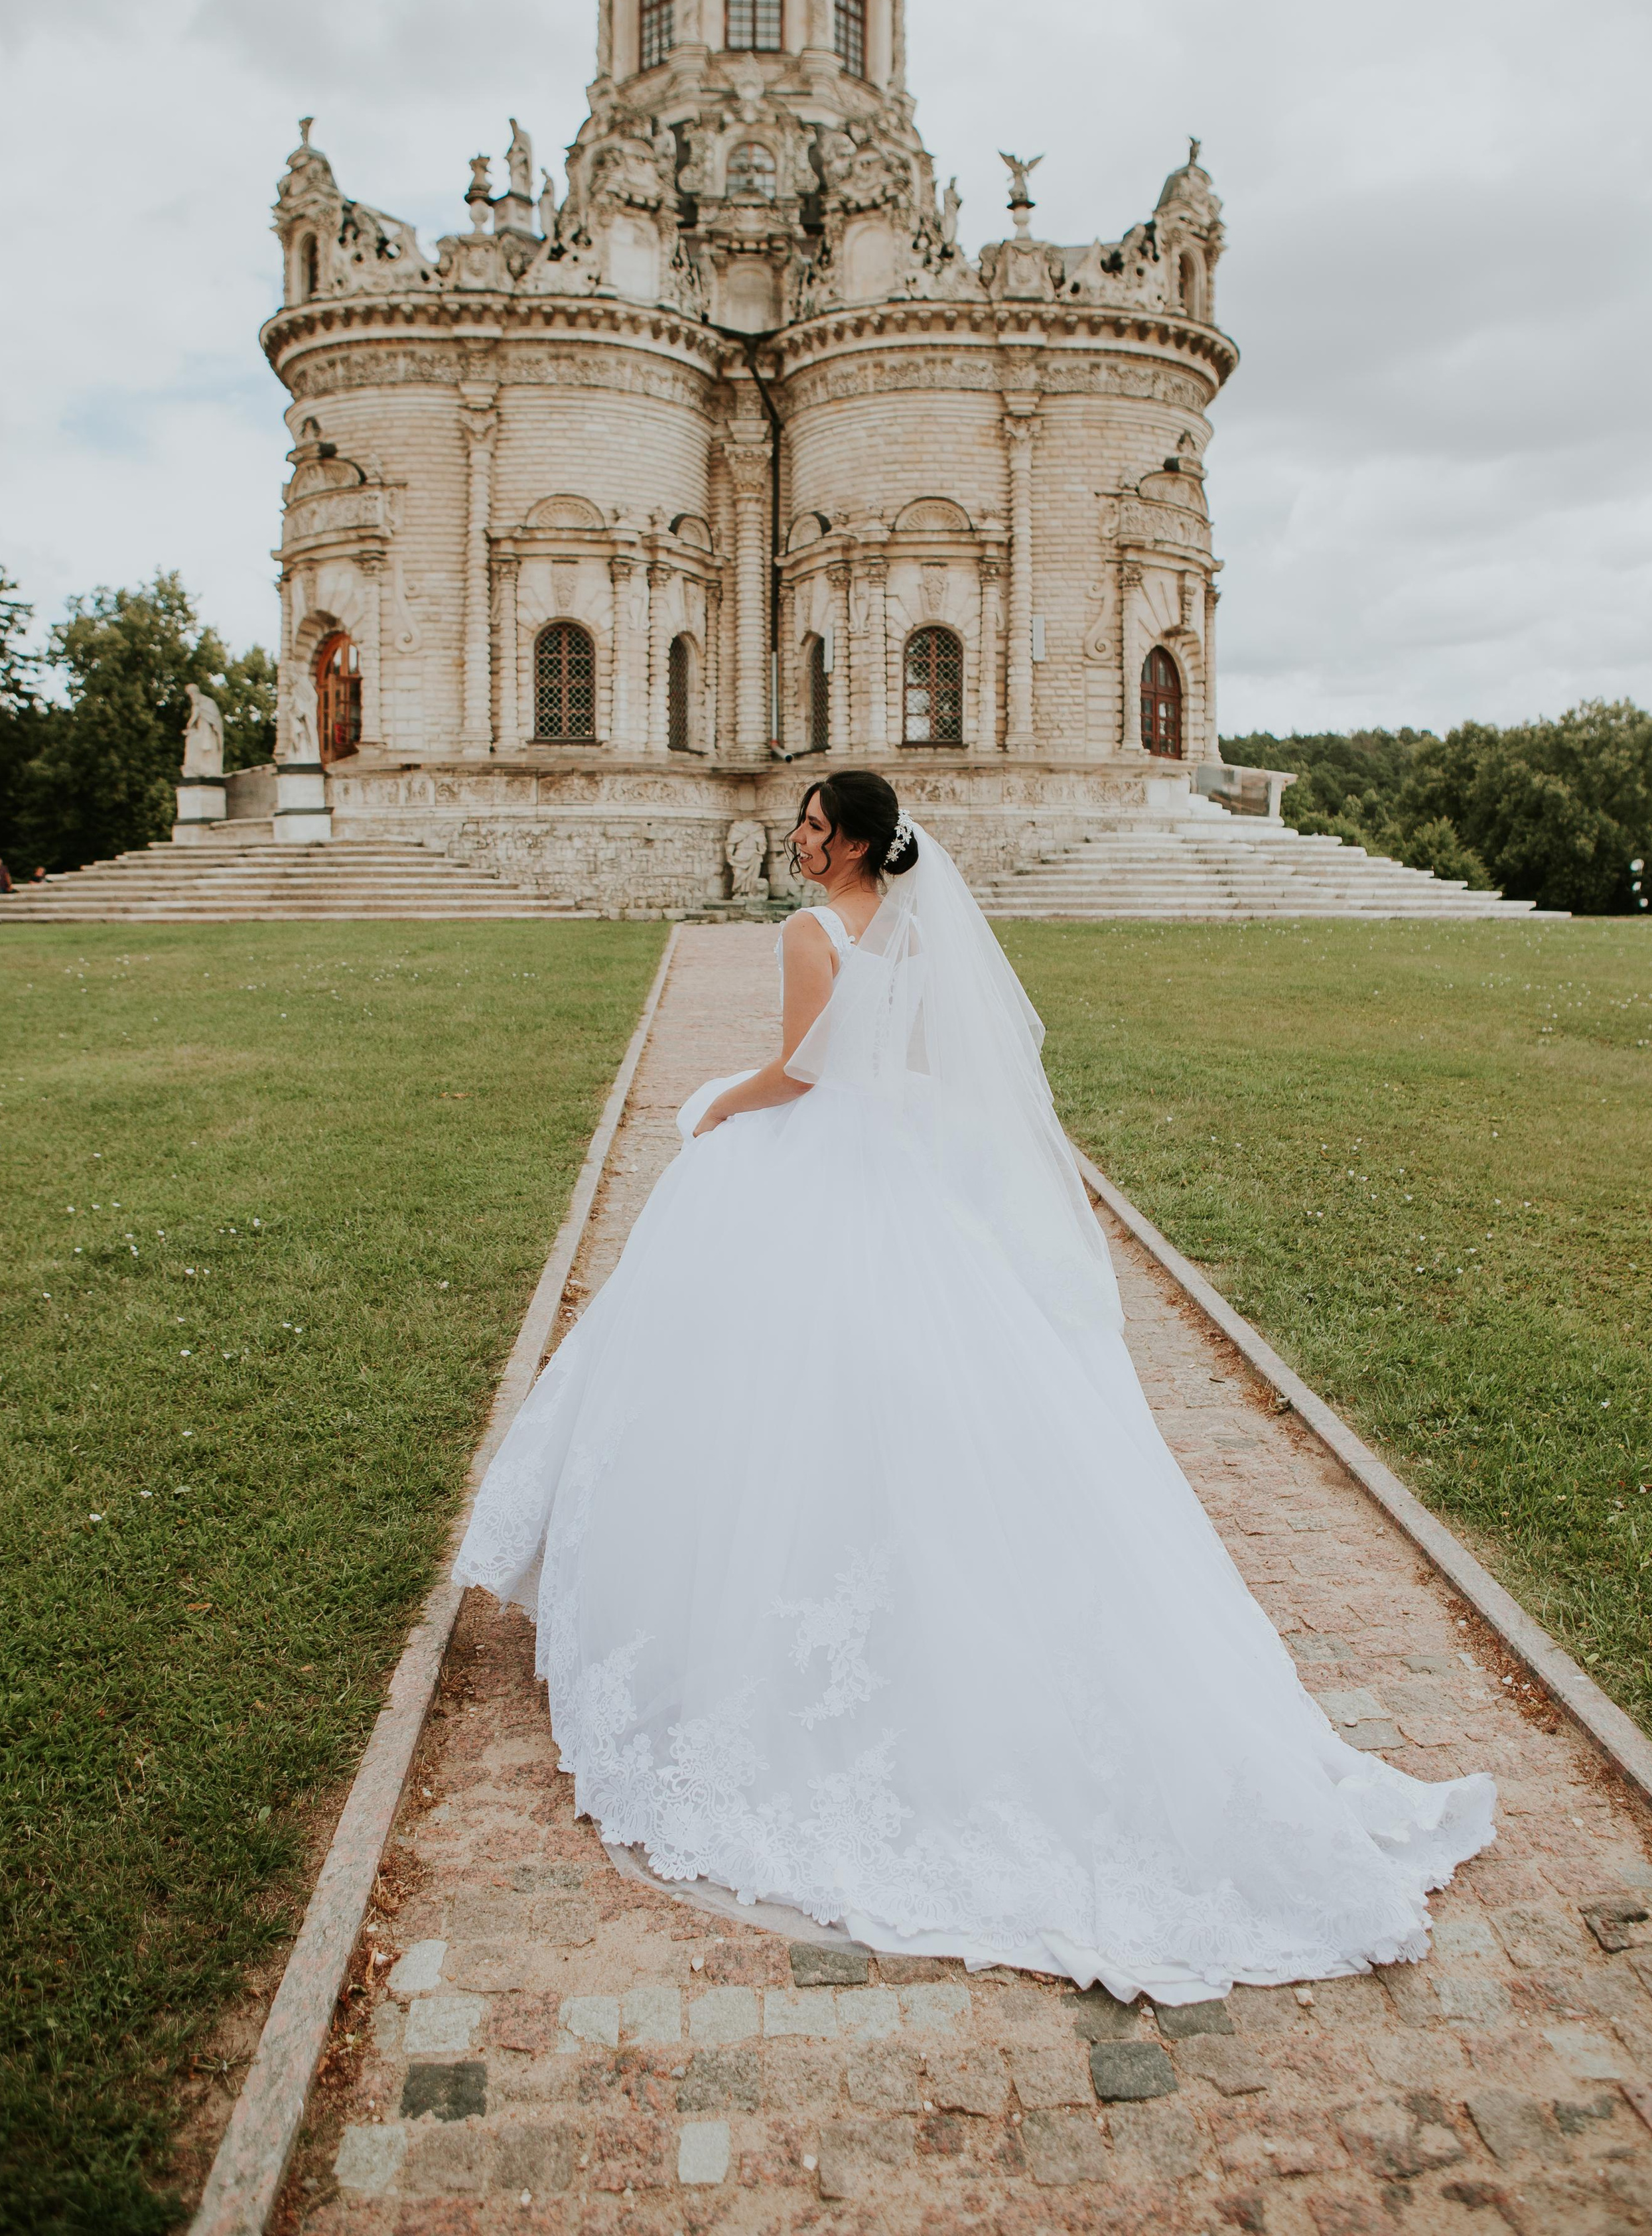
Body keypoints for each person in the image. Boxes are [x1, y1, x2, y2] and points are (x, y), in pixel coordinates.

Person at [456, 770, 1494, 2006]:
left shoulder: (808, 930)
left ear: (844, 843)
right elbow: (926, 1068)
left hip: (816, 1159)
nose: (796, 840)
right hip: (895, 1162)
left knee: (764, 1389)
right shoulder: (904, 928)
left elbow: (795, 1072)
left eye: (809, 826)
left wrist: (713, 1109)